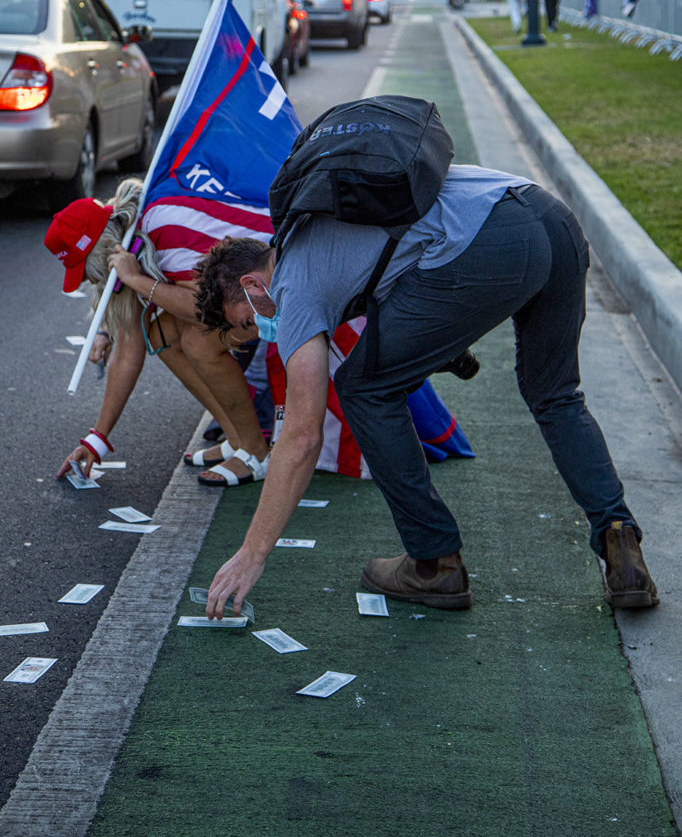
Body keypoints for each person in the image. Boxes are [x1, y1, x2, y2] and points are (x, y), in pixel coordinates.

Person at [193, 154, 659, 620]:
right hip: (549, 217)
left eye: (251, 320)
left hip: (490, 239)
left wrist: (251, 553)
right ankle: (621, 544)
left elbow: (301, 434)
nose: (264, 329)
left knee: (362, 389)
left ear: (254, 283)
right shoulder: (319, 228)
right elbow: (401, 275)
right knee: (556, 395)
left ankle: (434, 561)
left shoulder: (290, 285)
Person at [45, 178, 270, 486]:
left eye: (87, 271)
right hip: (254, 286)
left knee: (198, 341)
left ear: (103, 251)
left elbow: (208, 308)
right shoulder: (137, 238)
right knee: (161, 334)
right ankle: (238, 438)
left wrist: (137, 281)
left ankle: (256, 451)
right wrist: (96, 440)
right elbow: (129, 350)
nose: (92, 281)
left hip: (282, 282)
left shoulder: (165, 227)